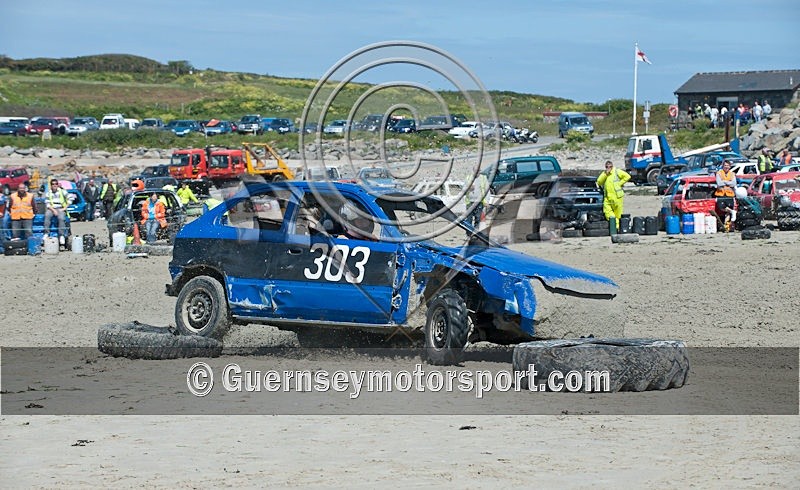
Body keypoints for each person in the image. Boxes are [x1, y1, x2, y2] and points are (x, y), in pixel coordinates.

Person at [596, 161, 630, 228]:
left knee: (618, 214)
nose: (608, 168)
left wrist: (619, 184)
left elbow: (627, 176)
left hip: (617, 197)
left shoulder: (617, 171)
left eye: (610, 167)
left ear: (612, 166)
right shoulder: (605, 174)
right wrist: (605, 174)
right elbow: (599, 182)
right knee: (607, 212)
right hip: (607, 198)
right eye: (607, 167)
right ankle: (616, 225)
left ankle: (618, 228)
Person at [44, 179, 69, 245]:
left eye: (56, 184)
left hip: (60, 208)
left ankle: (61, 235)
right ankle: (46, 233)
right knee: (47, 215)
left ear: (57, 185)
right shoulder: (48, 193)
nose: (54, 185)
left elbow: (71, 198)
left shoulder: (62, 191)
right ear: (51, 185)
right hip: (52, 208)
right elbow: (47, 203)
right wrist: (53, 210)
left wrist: (64, 208)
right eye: (53, 184)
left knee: (61, 218)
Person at [714, 161, 737, 227]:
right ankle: (732, 212)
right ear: (723, 166)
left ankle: (726, 225)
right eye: (725, 165)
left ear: (730, 166)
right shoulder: (719, 173)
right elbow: (719, 183)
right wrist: (728, 182)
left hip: (730, 194)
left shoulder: (732, 174)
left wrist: (724, 182)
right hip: (721, 194)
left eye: (728, 165)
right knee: (721, 207)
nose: (726, 167)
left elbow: (733, 183)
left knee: (727, 212)